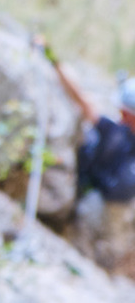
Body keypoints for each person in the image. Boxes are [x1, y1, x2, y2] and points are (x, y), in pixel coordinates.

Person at [43, 42, 135, 203]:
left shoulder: (114, 132)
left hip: (100, 204)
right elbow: (82, 99)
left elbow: (83, 101)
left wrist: (53, 59)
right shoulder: (115, 131)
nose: (121, 115)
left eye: (124, 113)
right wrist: (54, 60)